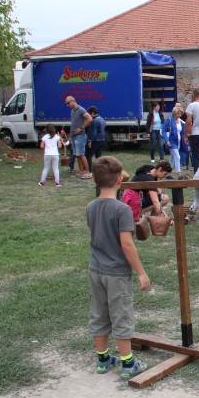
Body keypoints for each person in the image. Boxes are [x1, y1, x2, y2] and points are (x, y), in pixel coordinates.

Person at [86, 156, 149, 381]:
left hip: (96, 270)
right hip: (116, 273)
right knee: (121, 315)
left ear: (95, 180)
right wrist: (141, 272)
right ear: (120, 180)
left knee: (99, 313)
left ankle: (102, 359)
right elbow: (126, 244)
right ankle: (128, 364)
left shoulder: (91, 207)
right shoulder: (122, 210)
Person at [65, 96, 93, 179]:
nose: (67, 105)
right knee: (77, 155)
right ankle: (81, 172)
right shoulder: (72, 111)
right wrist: (70, 136)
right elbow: (73, 123)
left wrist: (81, 127)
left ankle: (88, 172)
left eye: (68, 103)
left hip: (80, 136)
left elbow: (90, 119)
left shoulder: (81, 109)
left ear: (73, 101)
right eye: (66, 104)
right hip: (74, 136)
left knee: (81, 154)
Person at [162, 106, 185, 175]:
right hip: (171, 141)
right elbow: (163, 131)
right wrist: (167, 140)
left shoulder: (180, 121)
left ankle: (167, 173)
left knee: (172, 158)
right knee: (177, 156)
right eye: (178, 114)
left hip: (178, 141)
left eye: (180, 114)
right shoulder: (169, 120)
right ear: (174, 113)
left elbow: (183, 130)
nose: (179, 115)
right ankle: (179, 173)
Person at [85, 106, 106, 170]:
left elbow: (92, 132)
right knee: (98, 156)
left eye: (89, 114)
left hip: (95, 140)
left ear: (92, 113)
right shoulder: (102, 119)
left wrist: (89, 140)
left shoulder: (94, 121)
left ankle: (89, 170)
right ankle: (100, 168)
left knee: (88, 155)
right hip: (102, 140)